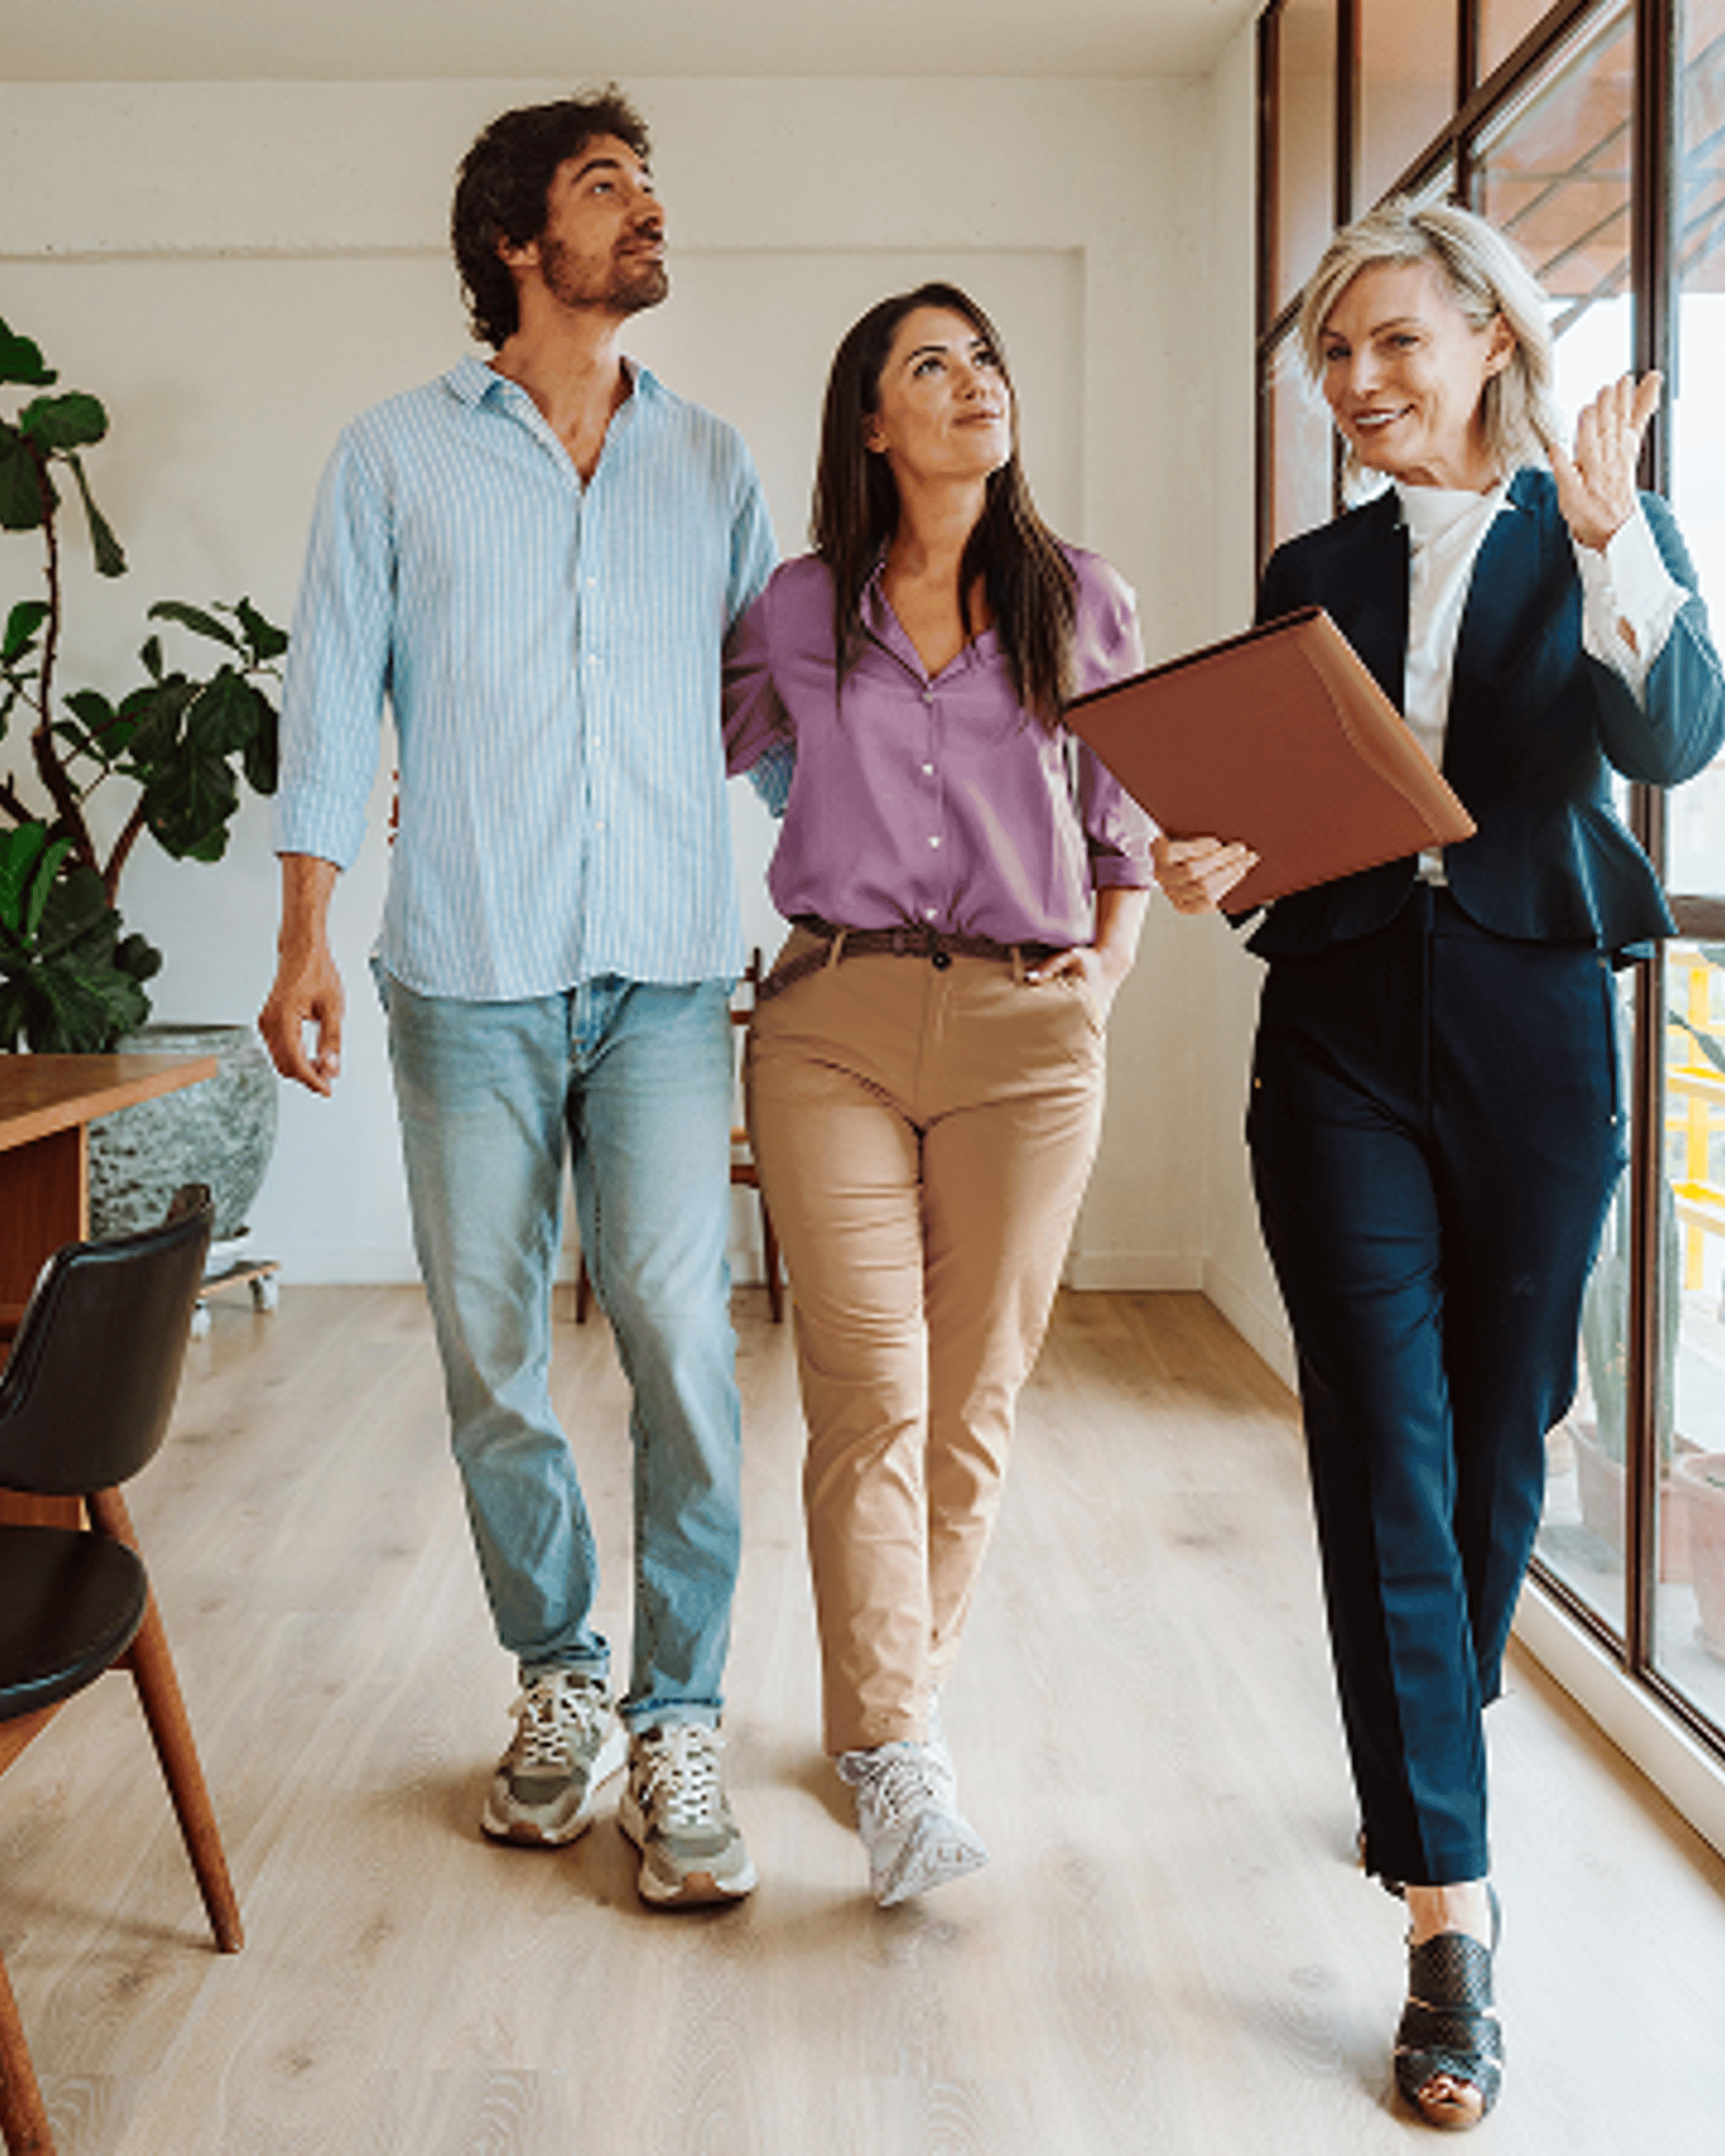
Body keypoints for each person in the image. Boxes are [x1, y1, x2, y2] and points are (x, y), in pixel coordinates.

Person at [1154, 200, 1725, 2125]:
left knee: (1503, 1435)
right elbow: (1284, 803)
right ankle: (1448, 1915)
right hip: (1334, 1035)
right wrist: (1211, 849)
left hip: (1535, 1027)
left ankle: (1428, 1736)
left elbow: (1684, 735)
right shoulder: (1314, 558)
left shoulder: (1593, 530)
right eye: (1336, 357)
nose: (1361, 385)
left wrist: (1610, 538)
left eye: (1395, 342)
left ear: (1489, 332)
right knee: (1380, 1446)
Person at [260, 88, 777, 1910]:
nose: (646, 213)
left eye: (650, 184)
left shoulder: (711, 463)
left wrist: (921, 879)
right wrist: (304, 932)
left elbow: (771, 726)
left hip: (661, 973)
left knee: (680, 1339)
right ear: (514, 240)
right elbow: (330, 707)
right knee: (491, 1353)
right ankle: (560, 1674)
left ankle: (682, 1707)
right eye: (605, 186)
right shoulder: (394, 455)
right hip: (460, 976)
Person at [723, 284, 1152, 1906]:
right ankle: (903, 1757)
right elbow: (672, 735)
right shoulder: (795, 606)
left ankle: (880, 1722)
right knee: (869, 1387)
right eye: (931, 365)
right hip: (829, 1015)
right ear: (872, 423)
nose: (973, 383)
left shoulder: (1077, 598)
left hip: (1025, 1039)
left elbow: (1125, 822)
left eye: (987, 357)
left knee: (969, 1410)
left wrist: (1102, 978)